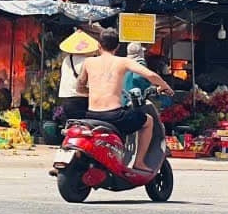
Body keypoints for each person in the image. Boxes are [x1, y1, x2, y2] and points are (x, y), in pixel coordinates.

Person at [75, 28, 174, 173]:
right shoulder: (123, 62)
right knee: (148, 121)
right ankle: (139, 162)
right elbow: (151, 75)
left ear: (99, 45)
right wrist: (165, 87)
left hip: (92, 115)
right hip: (114, 116)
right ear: (117, 47)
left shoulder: (88, 62)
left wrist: (91, 92)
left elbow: (79, 87)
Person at [56, 29, 97, 121]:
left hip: (67, 99)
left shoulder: (67, 59)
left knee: (72, 123)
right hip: (83, 99)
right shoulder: (88, 61)